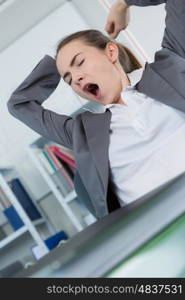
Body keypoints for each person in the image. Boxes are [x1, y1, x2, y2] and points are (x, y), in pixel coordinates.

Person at [7, 0, 185, 220]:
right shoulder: (83, 134)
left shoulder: (169, 68)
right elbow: (19, 104)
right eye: (69, 78)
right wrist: (56, 62)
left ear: (111, 52)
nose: (77, 78)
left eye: (80, 62)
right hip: (161, 229)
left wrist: (123, 4)